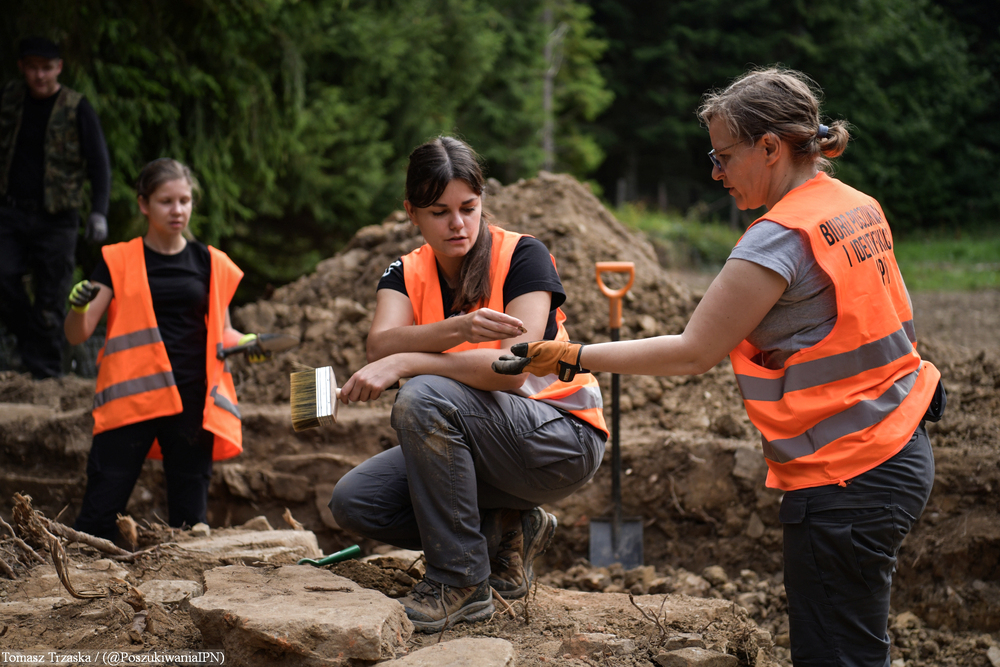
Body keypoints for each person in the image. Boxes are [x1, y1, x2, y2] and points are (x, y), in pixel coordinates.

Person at [495, 68, 945, 667]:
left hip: (847, 476)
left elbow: (693, 351)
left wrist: (572, 354)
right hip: (901, 448)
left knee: (837, 654)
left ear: (770, 147)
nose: (715, 172)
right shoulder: (853, 207)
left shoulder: (778, 238)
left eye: (723, 155)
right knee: (857, 646)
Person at [328, 136, 609, 632]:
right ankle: (507, 529)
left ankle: (459, 580)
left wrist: (409, 361)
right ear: (412, 212)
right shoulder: (404, 272)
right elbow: (380, 345)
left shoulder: (524, 256)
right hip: (485, 440)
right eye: (439, 211)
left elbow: (512, 369)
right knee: (357, 502)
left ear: (482, 203)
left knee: (420, 397)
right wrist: (458, 329)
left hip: (560, 436)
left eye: (468, 208)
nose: (457, 224)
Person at [65, 158, 257, 542]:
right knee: (98, 515)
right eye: (167, 201)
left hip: (192, 401)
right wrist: (77, 307)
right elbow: (78, 334)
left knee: (190, 522)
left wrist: (250, 345)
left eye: (185, 200)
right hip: (130, 402)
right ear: (143, 204)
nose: (178, 210)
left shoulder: (209, 262)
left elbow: (224, 333)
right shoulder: (117, 260)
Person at [0, 36, 112, 379]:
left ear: (59, 68)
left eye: (47, 68)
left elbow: (99, 163)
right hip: (11, 211)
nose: (39, 75)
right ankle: (29, 346)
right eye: (32, 68)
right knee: (3, 278)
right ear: (22, 68)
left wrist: (98, 211)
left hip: (57, 218)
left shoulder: (77, 107)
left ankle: (46, 374)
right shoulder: (9, 99)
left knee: (51, 297)